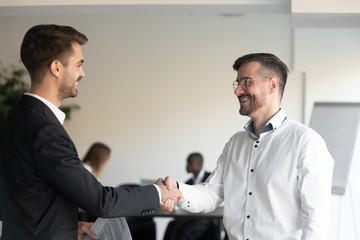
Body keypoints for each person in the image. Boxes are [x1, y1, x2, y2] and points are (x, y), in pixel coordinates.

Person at [0, 24, 182, 240]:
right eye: (79, 64)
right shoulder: (45, 129)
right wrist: (159, 192)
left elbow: (20, 201)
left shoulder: (13, 121)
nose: (82, 73)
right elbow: (100, 201)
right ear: (56, 68)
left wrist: (67, 228)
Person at [165, 53, 334, 240]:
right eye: (237, 83)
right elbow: (211, 193)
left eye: (246, 82)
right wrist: (176, 189)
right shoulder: (235, 143)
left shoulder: (305, 142)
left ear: (272, 84)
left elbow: (316, 221)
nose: (237, 91)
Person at [163, 153, 215, 240]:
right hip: (191, 216)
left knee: (185, 233)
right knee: (172, 226)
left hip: (207, 217)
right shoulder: (188, 182)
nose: (187, 165)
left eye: (190, 162)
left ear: (199, 164)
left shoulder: (211, 178)